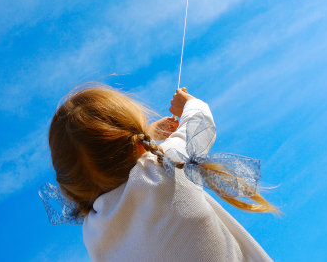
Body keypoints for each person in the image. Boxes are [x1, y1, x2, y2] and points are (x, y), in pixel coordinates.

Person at [44, 85, 276, 261]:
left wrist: (147, 137)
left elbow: (104, 166)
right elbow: (199, 124)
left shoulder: (94, 234)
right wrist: (190, 103)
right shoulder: (162, 170)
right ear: (138, 144)